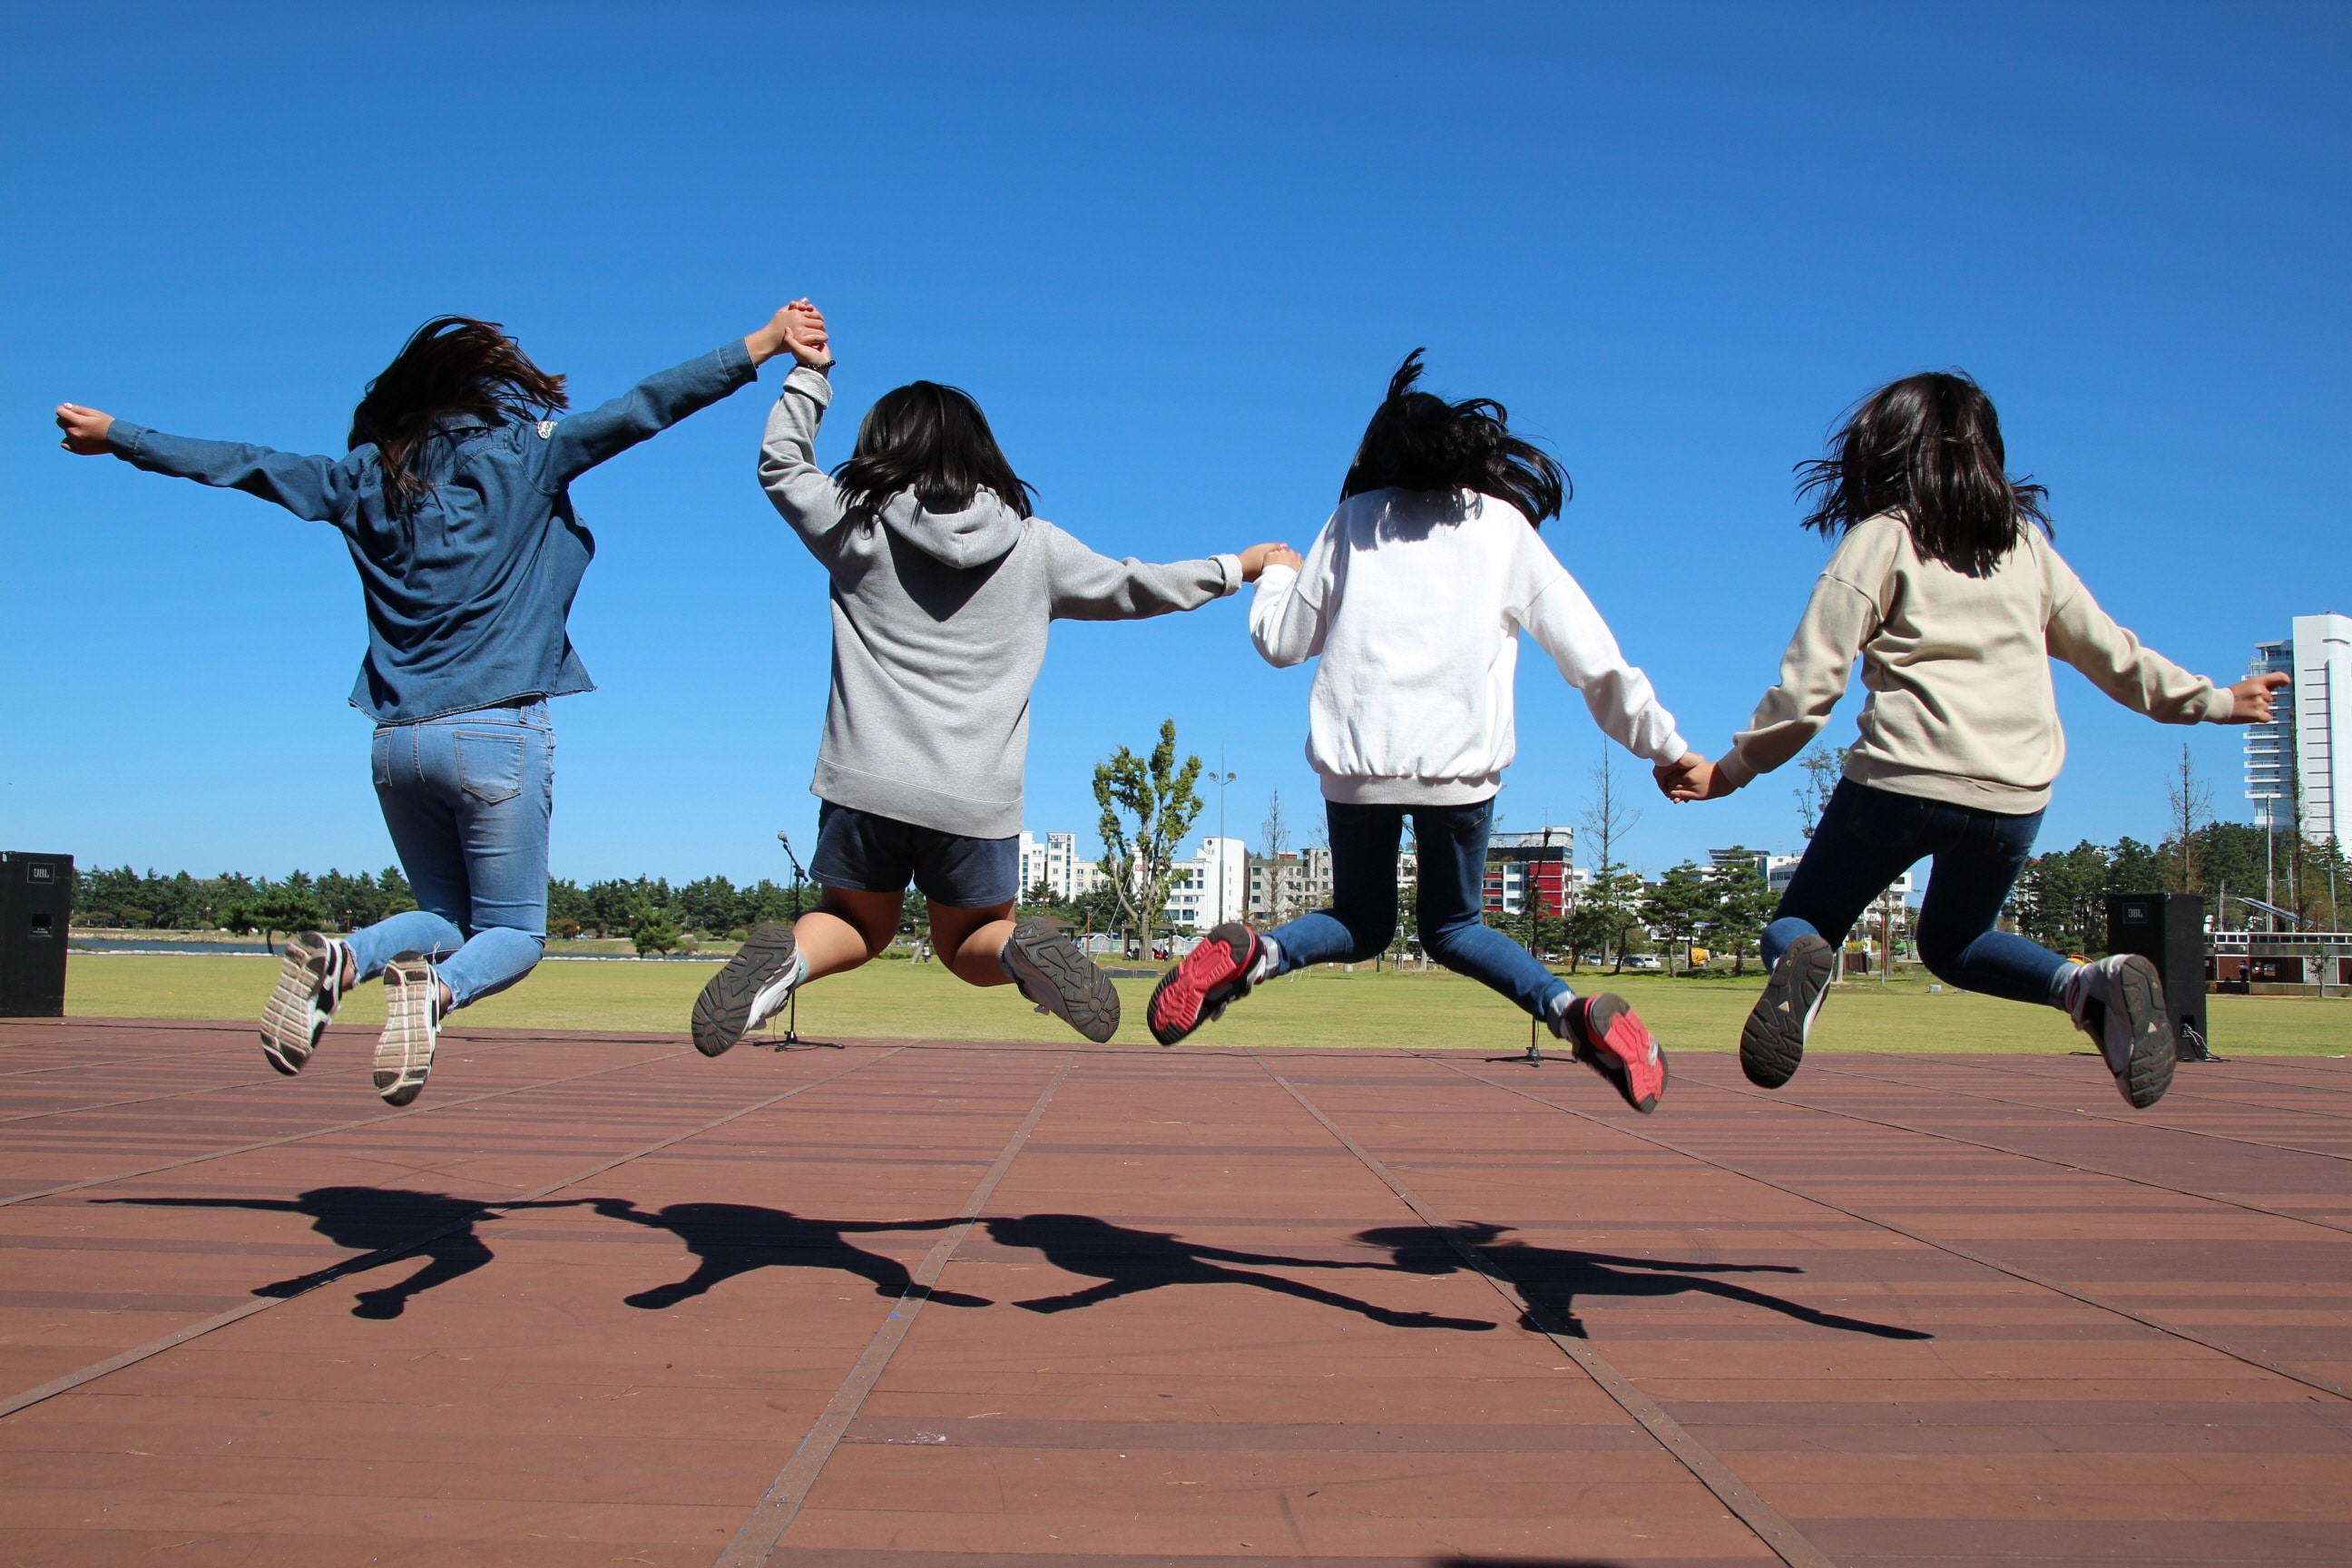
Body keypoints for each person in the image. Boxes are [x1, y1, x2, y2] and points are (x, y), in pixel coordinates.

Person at [54, 305, 814, 1103]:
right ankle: (435, 995)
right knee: (515, 935)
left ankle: (348, 958)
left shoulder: (359, 480)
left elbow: (246, 464)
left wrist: (120, 435)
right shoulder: (525, 456)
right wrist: (762, 344)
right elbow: (645, 407)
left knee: (445, 918)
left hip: (395, 743)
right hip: (496, 732)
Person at [1661, 371, 2286, 1109]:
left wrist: (1729, 773)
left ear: (1883, 453)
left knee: (1801, 924)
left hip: (1898, 782)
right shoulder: (2025, 549)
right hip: (2013, 798)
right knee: (1954, 943)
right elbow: (2115, 658)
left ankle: (1805, 963)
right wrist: (2214, 700)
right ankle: (2089, 984)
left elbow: (1808, 694)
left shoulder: (1881, 539)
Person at [690, 305, 1288, 1054]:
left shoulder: (860, 527)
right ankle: (1019, 954)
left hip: (863, 782)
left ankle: (786, 964)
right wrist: (1238, 568)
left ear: (883, 449)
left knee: (854, 925)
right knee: (970, 940)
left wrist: (808, 377)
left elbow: (782, 465)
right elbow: (1139, 586)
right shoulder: (1036, 549)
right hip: (976, 797)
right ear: (982, 454)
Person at [1146, 351, 1690, 1114]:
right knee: (1454, 924)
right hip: (1459, 775)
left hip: (1358, 769)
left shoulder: (1352, 523)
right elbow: (1591, 655)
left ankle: (1255, 956)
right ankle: (1572, 1013)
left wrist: (1272, 571)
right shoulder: (1503, 530)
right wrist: (1665, 747)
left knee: (1360, 921)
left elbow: (1279, 643)